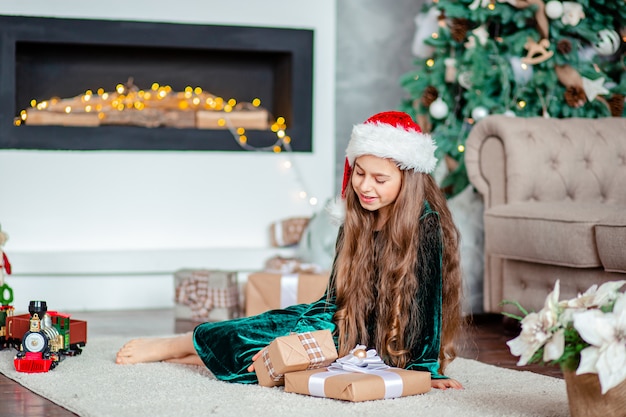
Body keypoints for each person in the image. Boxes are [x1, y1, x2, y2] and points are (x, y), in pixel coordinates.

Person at [116, 110, 464, 390]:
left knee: (278, 362)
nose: (364, 186)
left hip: (393, 339)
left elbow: (428, 305)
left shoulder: (426, 225)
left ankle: (200, 355)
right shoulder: (355, 215)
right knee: (268, 333)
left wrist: (426, 370)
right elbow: (334, 298)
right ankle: (182, 344)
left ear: (408, 179)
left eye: (379, 179)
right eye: (359, 173)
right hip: (346, 325)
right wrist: (302, 332)